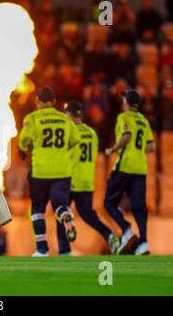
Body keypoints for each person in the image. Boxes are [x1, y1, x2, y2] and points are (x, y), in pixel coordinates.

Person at [18, 87, 80, 257]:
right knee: (60, 204)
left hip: (40, 171)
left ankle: (42, 249)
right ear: (53, 102)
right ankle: (66, 215)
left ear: (38, 102)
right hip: (62, 170)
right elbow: (75, 140)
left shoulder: (32, 118)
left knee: (38, 209)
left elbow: (24, 139)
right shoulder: (64, 119)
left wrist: (22, 150)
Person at [65, 101, 120, 254]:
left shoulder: (69, 132)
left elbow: (67, 156)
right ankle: (109, 234)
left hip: (71, 180)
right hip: (87, 182)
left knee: (61, 213)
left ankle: (64, 251)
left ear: (70, 115)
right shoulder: (92, 133)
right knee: (88, 215)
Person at [104, 90, 154, 255]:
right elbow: (151, 147)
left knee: (109, 202)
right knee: (139, 207)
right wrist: (137, 149)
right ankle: (144, 243)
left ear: (126, 102)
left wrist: (113, 149)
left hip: (124, 165)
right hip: (140, 168)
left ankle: (127, 230)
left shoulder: (123, 117)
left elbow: (126, 136)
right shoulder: (144, 121)